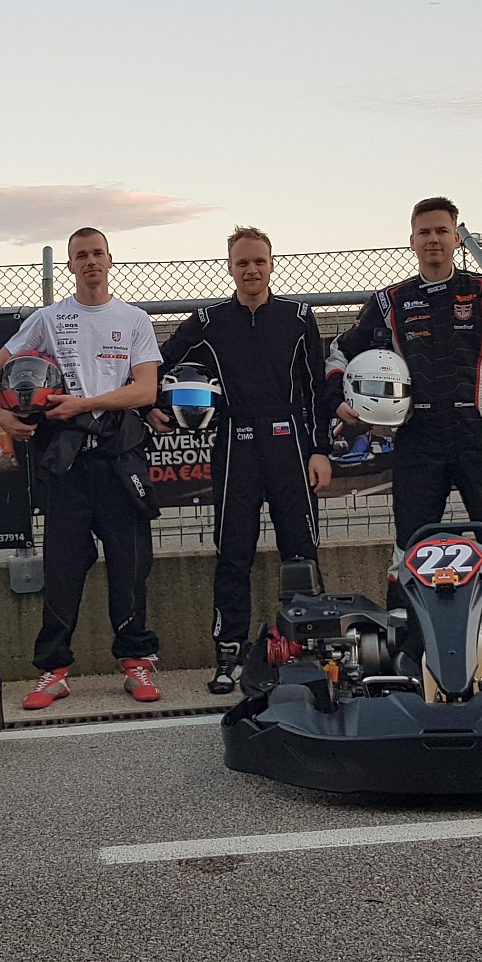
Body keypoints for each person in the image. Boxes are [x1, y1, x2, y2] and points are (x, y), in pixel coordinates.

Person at [0, 227, 164, 709]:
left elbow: (145, 390)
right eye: (81, 255)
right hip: (66, 463)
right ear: (70, 265)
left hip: (118, 458)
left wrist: (85, 403)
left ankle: (136, 662)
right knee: (62, 569)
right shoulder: (48, 318)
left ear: (110, 260)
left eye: (97, 253)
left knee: (130, 567)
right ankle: (53, 671)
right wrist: (0, 414)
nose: (90, 261)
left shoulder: (134, 319)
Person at [150, 226, 333, 693]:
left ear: (271, 264)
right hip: (234, 441)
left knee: (301, 548)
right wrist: (151, 404)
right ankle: (229, 652)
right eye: (242, 263)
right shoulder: (208, 320)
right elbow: (159, 362)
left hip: (290, 441)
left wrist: (320, 450)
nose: (252, 270)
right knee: (233, 553)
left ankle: (305, 649)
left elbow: (316, 389)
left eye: (259, 262)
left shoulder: (298, 317)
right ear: (230, 267)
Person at [327, 197, 482, 579]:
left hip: (478, 433)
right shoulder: (390, 301)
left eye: (442, 231)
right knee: (409, 545)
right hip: (418, 437)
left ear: (456, 239)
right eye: (424, 232)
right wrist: (337, 399)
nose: (433, 239)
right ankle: (406, 620)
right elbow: (341, 351)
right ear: (412, 241)